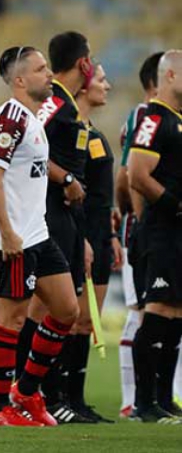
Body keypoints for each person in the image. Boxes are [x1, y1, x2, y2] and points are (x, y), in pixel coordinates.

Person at [0, 46, 79, 427]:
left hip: (38, 234)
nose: (50, 74)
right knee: (11, 321)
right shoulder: (8, 121)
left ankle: (25, 392)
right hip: (14, 239)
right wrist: (7, 233)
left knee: (67, 311)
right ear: (19, 80)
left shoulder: (32, 119)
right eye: (41, 69)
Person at [19, 31, 96, 423]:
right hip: (47, 213)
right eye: (91, 59)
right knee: (43, 307)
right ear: (83, 63)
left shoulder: (68, 105)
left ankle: (40, 393)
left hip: (65, 217)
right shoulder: (53, 105)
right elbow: (28, 142)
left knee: (56, 308)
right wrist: (65, 179)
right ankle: (30, 392)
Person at [128, 50, 182, 424]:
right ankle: (143, 404)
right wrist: (175, 204)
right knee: (159, 311)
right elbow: (136, 174)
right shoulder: (154, 119)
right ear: (172, 76)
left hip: (176, 234)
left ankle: (163, 400)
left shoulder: (177, 121)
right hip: (160, 231)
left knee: (177, 314)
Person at [74, 64, 121, 422]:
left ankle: (76, 398)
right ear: (84, 86)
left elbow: (101, 195)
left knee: (88, 322)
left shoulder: (95, 134)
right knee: (73, 320)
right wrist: (84, 238)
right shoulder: (70, 134)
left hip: (102, 236)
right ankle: (59, 396)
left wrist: (112, 234)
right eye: (101, 80)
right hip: (82, 237)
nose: (107, 85)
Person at [116, 52, 161, 417]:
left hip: (166, 230)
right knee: (141, 312)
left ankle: (166, 394)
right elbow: (128, 174)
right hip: (145, 230)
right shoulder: (143, 117)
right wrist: (133, 217)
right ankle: (131, 398)